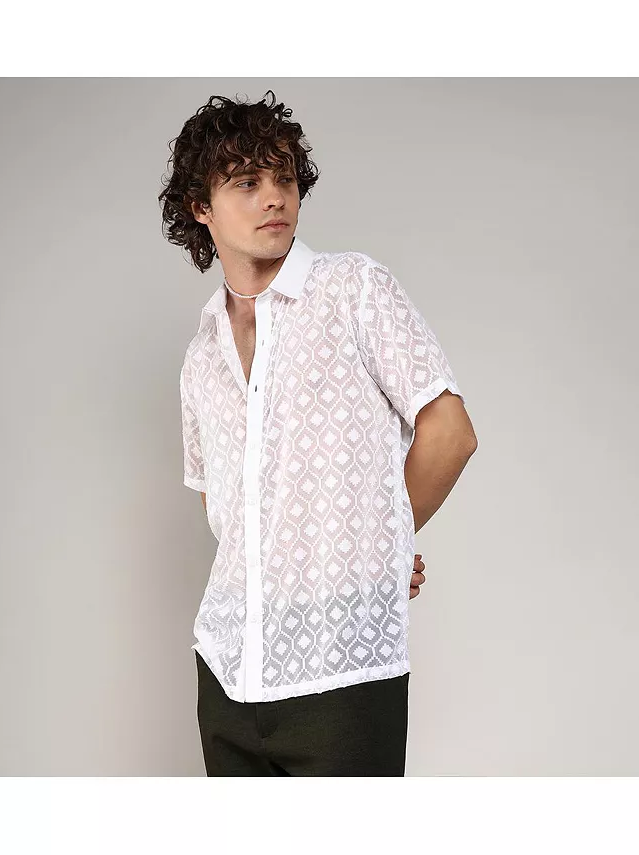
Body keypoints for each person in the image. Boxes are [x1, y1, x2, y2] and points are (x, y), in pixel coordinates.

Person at [158, 90, 477, 776]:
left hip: (342, 669)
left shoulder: (353, 289)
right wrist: (362, 543)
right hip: (227, 668)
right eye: (247, 182)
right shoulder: (201, 355)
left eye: (284, 177)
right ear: (200, 206)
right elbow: (226, 510)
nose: (275, 196)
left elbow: (450, 433)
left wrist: (381, 540)